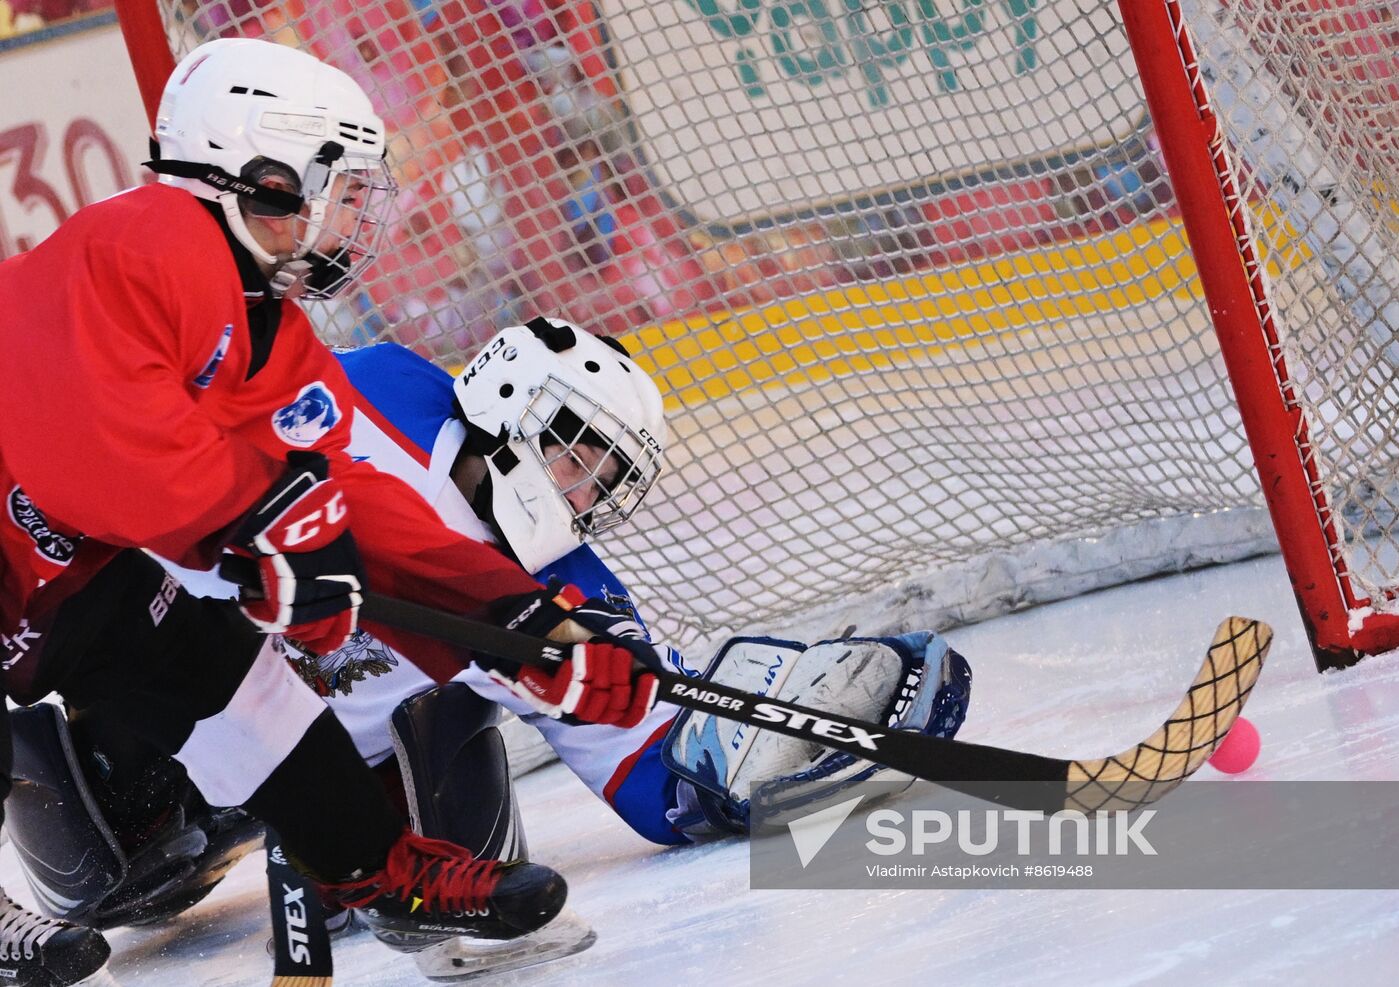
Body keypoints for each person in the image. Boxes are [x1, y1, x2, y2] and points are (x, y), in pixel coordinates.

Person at [6, 318, 972, 979]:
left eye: (604, 482)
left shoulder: (569, 588)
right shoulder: (368, 386)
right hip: (174, 748)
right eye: (579, 460)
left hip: (338, 796)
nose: (584, 496)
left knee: (456, 718)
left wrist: (767, 734)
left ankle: (389, 872)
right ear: (514, 399)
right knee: (107, 830)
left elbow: (654, 768)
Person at [0, 37, 664, 984]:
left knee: (239, 690)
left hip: (67, 567)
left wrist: (515, 623)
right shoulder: (145, 243)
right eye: (343, 187)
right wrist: (265, 520)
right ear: (263, 176)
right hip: (33, 536)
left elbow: (347, 498)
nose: (357, 216)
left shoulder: (271, 330)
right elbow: (89, 443)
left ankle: (381, 869)